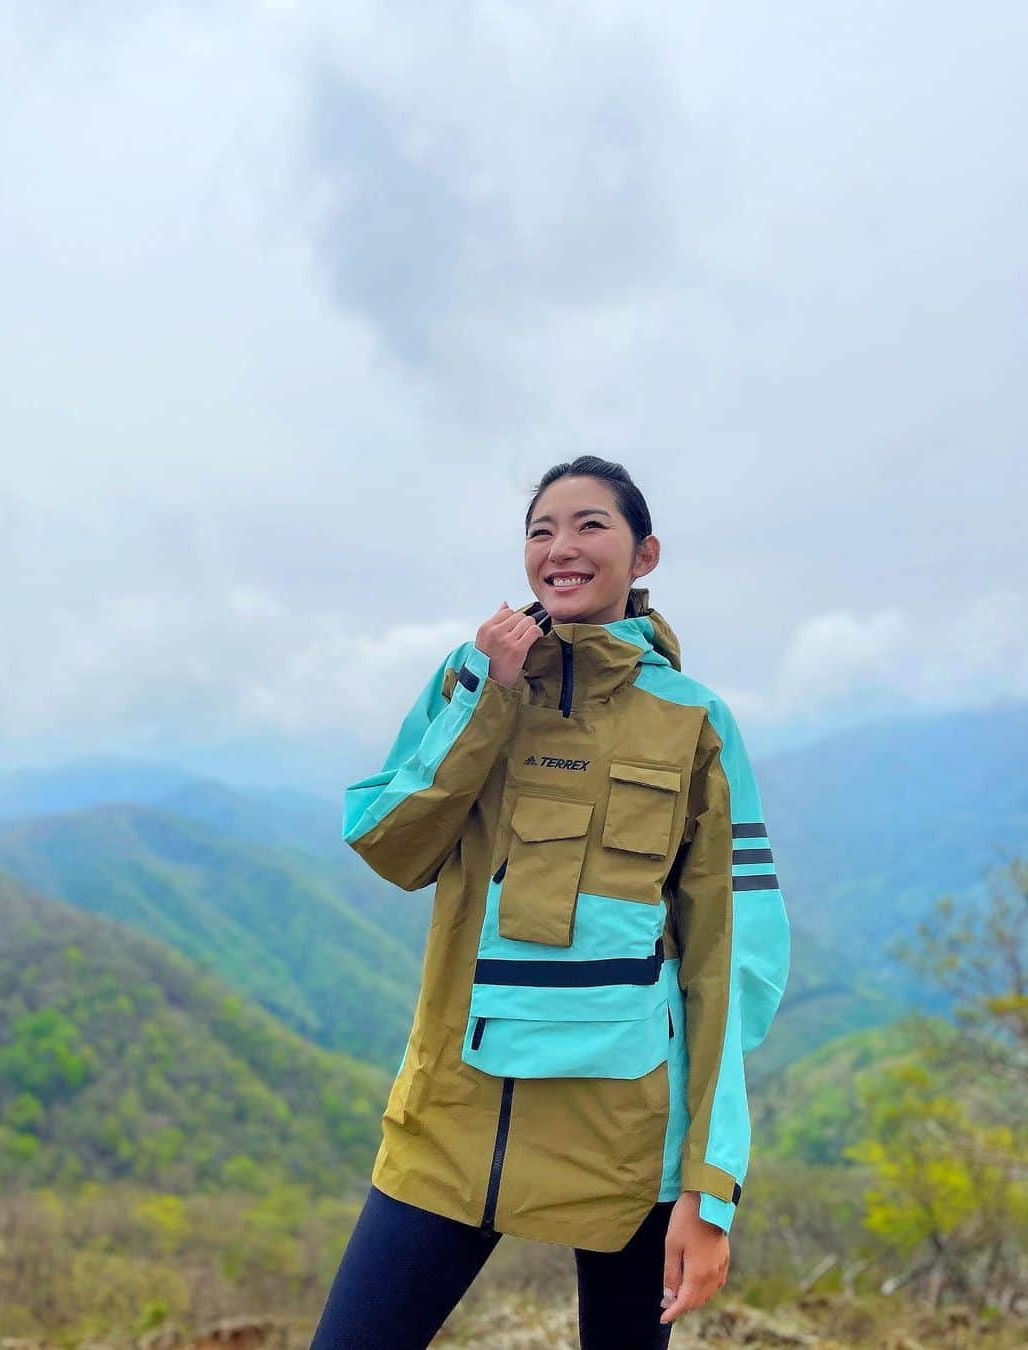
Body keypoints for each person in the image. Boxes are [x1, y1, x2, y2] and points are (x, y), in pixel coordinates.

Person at [310, 457, 791, 1349]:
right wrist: (490, 698)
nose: (560, 548)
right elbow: (391, 844)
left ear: (644, 555)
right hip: (453, 1111)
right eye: (540, 531)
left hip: (626, 1138)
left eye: (589, 526)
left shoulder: (695, 720)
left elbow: (733, 958)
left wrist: (710, 1183)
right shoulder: (473, 677)